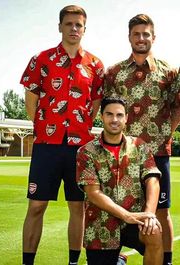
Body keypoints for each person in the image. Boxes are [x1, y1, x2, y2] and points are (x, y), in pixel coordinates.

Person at [20, 5, 104, 265]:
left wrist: (81, 127)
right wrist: (45, 126)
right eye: (69, 24)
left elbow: (95, 104)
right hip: (47, 145)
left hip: (79, 148)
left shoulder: (95, 65)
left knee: (77, 207)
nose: (74, 29)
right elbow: (31, 99)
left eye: (78, 25)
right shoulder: (41, 60)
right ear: (60, 27)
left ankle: (72, 262)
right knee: (36, 206)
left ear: (85, 29)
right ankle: (27, 262)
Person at [104, 14, 179, 265]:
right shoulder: (114, 72)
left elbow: (177, 108)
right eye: (136, 34)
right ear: (129, 37)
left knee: (161, 210)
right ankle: (116, 257)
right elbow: (108, 110)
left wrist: (167, 133)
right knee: (115, 208)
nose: (141, 38)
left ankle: (166, 260)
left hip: (157, 153)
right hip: (122, 154)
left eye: (146, 34)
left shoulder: (168, 72)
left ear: (153, 37)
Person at [76, 96, 163, 265]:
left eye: (119, 115)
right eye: (109, 114)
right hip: (101, 224)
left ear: (126, 118)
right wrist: (126, 215)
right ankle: (118, 260)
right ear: (102, 117)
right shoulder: (86, 152)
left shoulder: (139, 146)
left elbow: (152, 180)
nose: (114, 119)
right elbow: (93, 193)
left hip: (136, 219)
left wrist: (150, 215)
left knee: (154, 231)